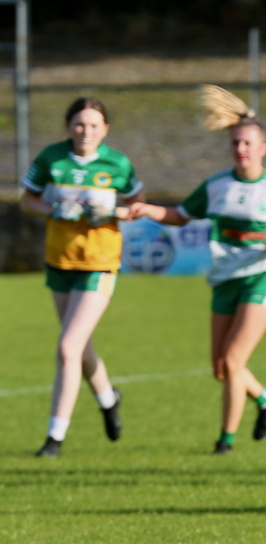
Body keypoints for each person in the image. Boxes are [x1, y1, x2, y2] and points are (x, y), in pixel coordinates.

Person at [128, 86, 266, 454]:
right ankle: (265, 399)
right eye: (235, 143)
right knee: (221, 368)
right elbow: (181, 216)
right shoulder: (217, 185)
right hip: (224, 278)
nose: (241, 149)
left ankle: (225, 442)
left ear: (263, 148)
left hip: (261, 276)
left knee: (233, 360)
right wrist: (149, 210)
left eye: (248, 143)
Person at [20, 97, 145, 457]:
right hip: (59, 262)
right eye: (79, 124)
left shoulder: (117, 163)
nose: (86, 131)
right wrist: (54, 209)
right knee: (79, 347)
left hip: (100, 263)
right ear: (68, 126)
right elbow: (27, 199)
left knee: (67, 347)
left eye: (93, 125)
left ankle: (54, 438)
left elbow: (137, 206)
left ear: (104, 129)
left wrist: (112, 210)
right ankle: (108, 398)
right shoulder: (51, 159)